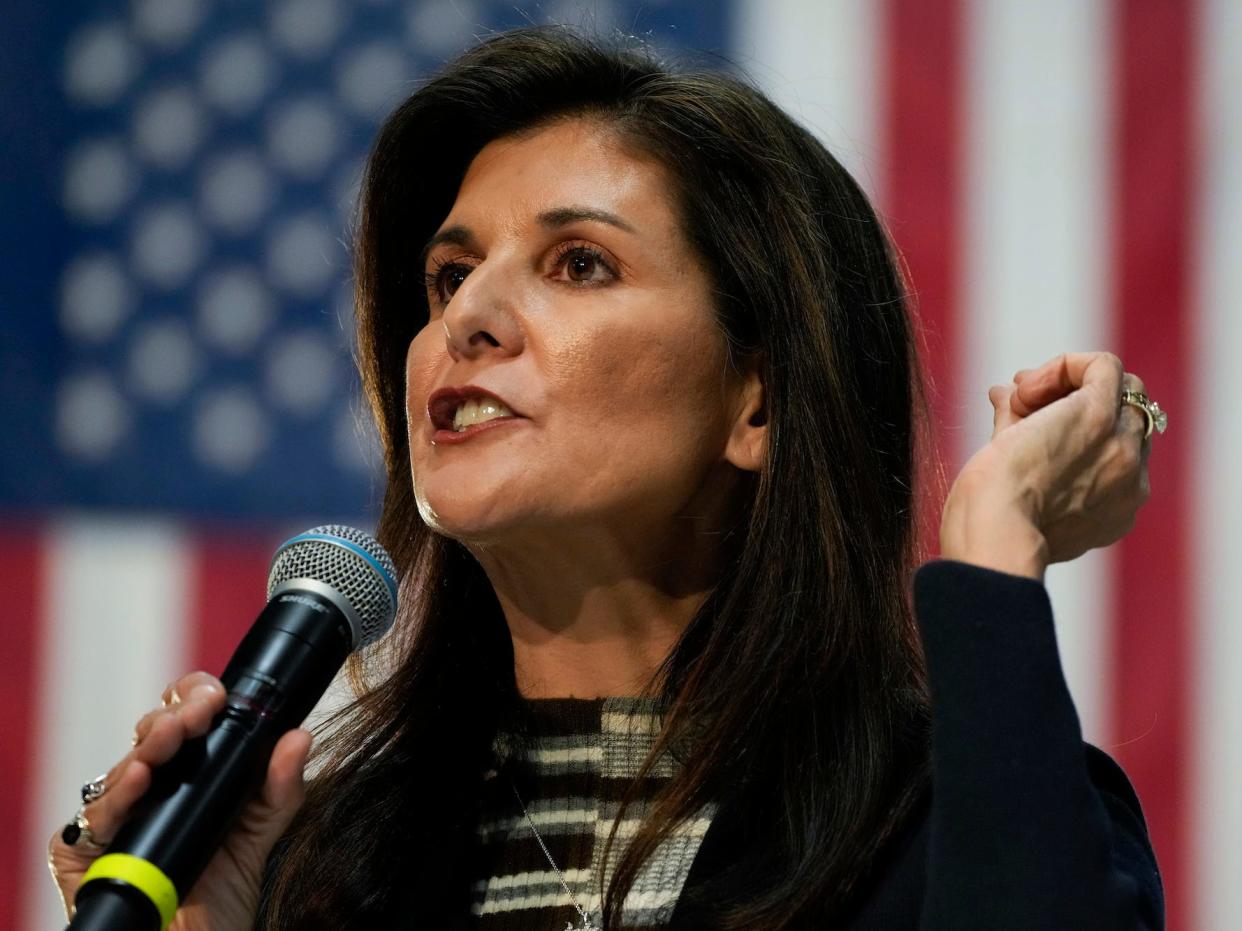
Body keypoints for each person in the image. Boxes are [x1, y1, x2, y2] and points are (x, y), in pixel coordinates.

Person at [50, 26, 1165, 930]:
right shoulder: (317, 872)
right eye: (448, 276)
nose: (467, 319)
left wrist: (992, 551)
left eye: (579, 263)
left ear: (760, 401)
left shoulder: (955, 822)